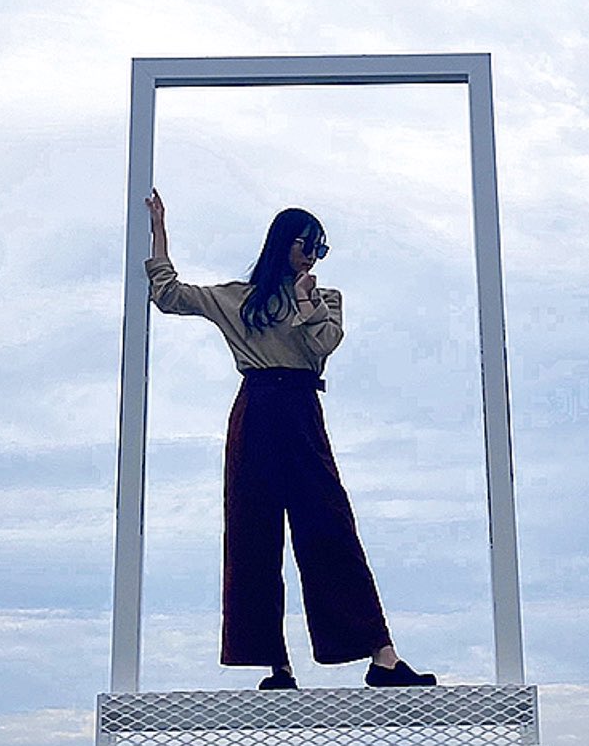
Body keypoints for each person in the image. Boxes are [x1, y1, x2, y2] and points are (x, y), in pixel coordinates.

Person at [144, 189, 436, 690]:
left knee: (331, 528)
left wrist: (305, 297)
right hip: (256, 408)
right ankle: (276, 665)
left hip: (302, 409)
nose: (314, 256)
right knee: (252, 534)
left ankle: (382, 656)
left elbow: (323, 345)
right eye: (309, 246)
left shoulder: (326, 300)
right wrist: (159, 229)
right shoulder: (238, 298)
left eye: (321, 249)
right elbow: (169, 295)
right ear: (285, 243)